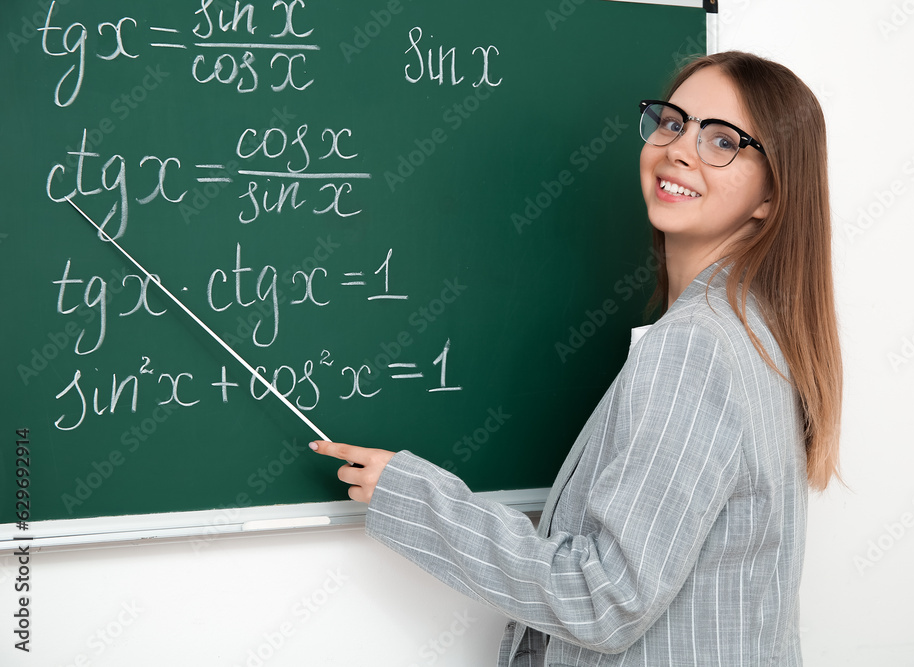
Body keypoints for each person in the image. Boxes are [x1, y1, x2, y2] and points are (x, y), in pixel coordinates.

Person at [308, 50, 842, 666]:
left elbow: (604, 598)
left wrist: (413, 497)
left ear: (771, 196)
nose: (680, 148)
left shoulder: (698, 346)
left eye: (722, 141)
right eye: (674, 123)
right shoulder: (759, 332)